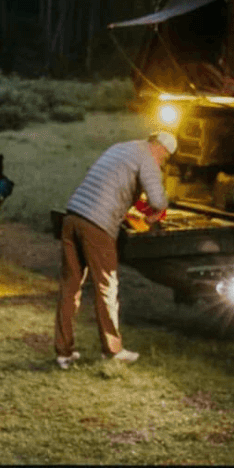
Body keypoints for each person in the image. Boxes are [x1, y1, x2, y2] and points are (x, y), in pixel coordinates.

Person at [54, 131, 176, 369]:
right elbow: (158, 201)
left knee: (70, 287)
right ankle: (112, 351)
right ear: (161, 149)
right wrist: (156, 210)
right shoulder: (148, 158)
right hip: (97, 225)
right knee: (106, 287)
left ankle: (64, 352)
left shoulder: (122, 147)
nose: (162, 163)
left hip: (72, 216)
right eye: (165, 159)